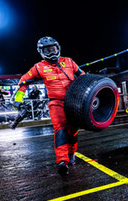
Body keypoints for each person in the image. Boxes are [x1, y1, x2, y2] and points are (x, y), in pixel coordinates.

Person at [13, 36, 85, 177]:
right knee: (61, 129)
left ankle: (71, 153)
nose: (52, 52)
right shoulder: (39, 67)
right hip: (56, 103)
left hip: (73, 102)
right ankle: (62, 161)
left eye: (53, 49)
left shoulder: (69, 61)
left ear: (58, 48)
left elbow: (83, 76)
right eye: (48, 50)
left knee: (73, 130)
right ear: (42, 51)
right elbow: (23, 81)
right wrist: (18, 101)